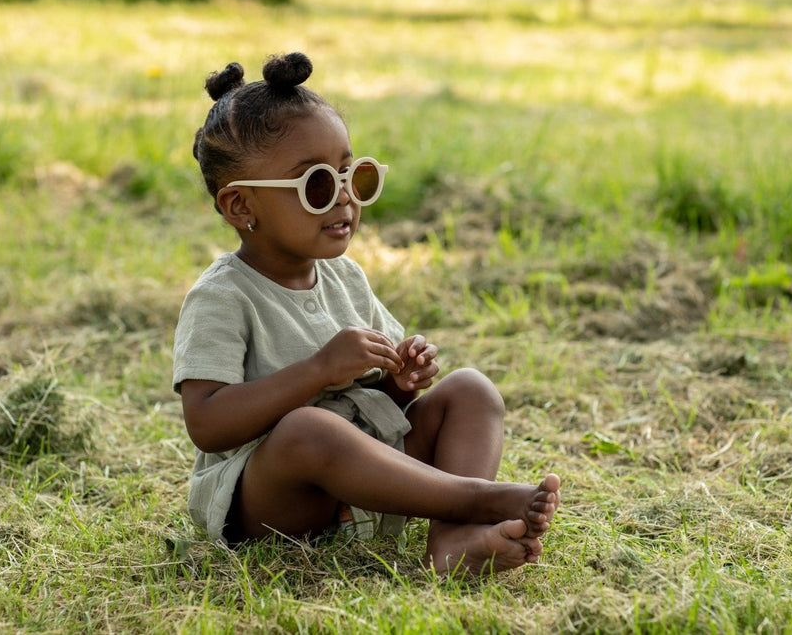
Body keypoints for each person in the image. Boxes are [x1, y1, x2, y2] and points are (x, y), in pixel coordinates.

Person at [173, 52, 561, 575]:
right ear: (242, 207)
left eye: (352, 177)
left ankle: (450, 542)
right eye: (316, 186)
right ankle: (477, 499)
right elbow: (207, 423)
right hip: (268, 503)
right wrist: (317, 370)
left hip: (354, 476)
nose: (344, 202)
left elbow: (375, 403)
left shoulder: (345, 277)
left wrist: (404, 381)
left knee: (471, 390)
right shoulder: (223, 296)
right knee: (308, 429)